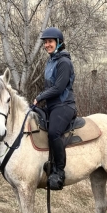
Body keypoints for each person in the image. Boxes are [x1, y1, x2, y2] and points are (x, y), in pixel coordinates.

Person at [33, 27, 77, 190]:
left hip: (64, 105)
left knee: (53, 133)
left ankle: (59, 172)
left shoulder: (64, 62)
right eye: (45, 42)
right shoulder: (50, 61)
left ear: (58, 43)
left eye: (50, 42)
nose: (46, 45)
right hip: (52, 106)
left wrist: (39, 97)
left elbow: (58, 88)